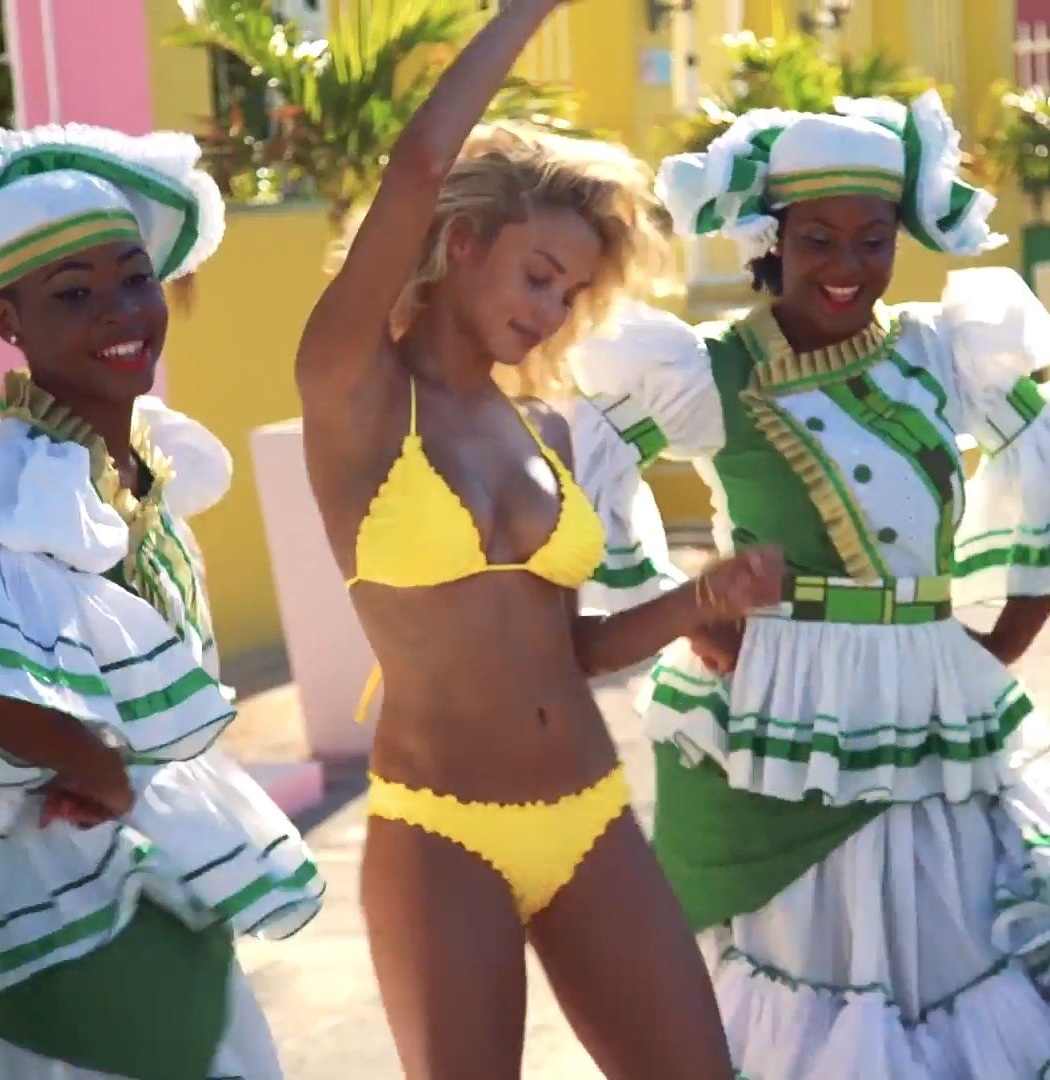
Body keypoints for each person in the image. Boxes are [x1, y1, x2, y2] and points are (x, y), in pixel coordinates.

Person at [569, 92, 1050, 1077]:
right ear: (772, 240)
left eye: (874, 241)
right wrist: (682, 610)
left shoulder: (943, 352)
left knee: (953, 951)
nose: (848, 266)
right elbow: (582, 478)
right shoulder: (711, 372)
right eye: (819, 240)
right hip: (788, 707)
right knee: (806, 957)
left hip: (933, 700)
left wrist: (1002, 642)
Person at [295, 1, 782, 1076]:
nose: (553, 310)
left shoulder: (543, 430)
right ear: (462, 241)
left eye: (571, 292)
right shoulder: (355, 391)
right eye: (537, 275)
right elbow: (420, 162)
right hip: (442, 832)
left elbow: (573, 649)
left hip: (590, 816)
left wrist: (700, 599)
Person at [0, 121, 324, 1078]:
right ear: (8, 321)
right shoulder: (25, 498)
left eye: (135, 279)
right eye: (73, 294)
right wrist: (96, 768)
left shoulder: (132, 467)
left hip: (145, 876)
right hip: (77, 892)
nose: (121, 312)